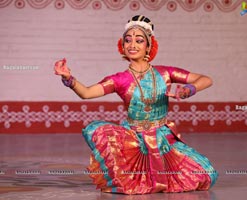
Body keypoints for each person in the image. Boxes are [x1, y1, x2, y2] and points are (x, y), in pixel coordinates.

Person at [54, 15, 218, 194]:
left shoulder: (166, 73)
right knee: (101, 135)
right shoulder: (119, 79)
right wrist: (68, 78)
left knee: (205, 174)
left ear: (149, 46)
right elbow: (86, 93)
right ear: (122, 46)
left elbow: (206, 79)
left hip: (163, 138)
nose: (132, 45)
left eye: (139, 40)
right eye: (128, 40)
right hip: (134, 140)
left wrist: (188, 90)